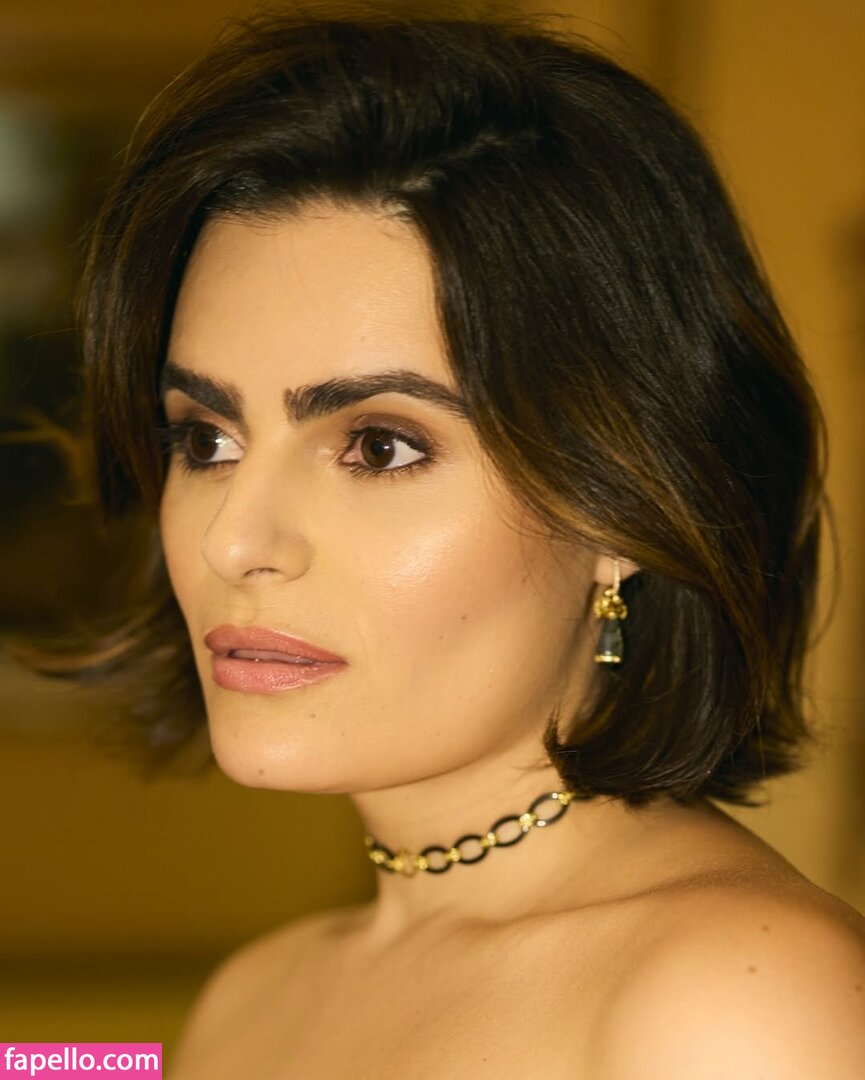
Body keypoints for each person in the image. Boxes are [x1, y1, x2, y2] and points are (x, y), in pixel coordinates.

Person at [33, 3, 865, 1076]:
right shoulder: (256, 1000)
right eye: (207, 439)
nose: (234, 539)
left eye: (378, 447)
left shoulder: (740, 1008)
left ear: (620, 503)